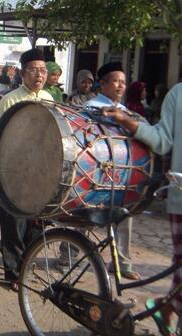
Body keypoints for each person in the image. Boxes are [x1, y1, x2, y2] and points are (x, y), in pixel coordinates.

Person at [103, 82, 182, 336]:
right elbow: (161, 141)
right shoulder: (177, 95)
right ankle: (167, 308)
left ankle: (167, 308)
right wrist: (127, 121)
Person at [0, 48, 54, 289]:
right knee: (13, 223)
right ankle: (13, 272)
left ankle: (25, 264)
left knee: (35, 224)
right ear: (22, 73)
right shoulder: (10, 99)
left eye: (43, 70)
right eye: (34, 70)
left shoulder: (49, 98)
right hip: (13, 172)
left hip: (40, 173)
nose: (39, 75)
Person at [84, 61, 140, 280]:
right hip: (94, 168)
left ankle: (122, 262)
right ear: (103, 84)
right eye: (116, 81)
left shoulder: (125, 112)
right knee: (82, 215)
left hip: (120, 169)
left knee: (125, 214)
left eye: (124, 82)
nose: (120, 86)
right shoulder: (92, 106)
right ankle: (66, 255)